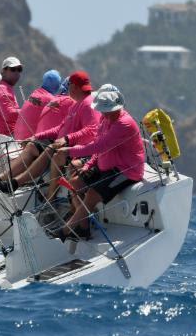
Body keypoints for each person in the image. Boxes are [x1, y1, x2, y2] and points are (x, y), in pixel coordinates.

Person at [53, 88, 145, 240]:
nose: (105, 113)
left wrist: (69, 151)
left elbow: (98, 147)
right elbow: (98, 146)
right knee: (76, 183)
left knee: (92, 194)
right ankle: (83, 229)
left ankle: (65, 231)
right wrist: (88, 165)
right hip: (106, 167)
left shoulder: (124, 124)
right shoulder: (104, 119)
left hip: (125, 171)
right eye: (103, 110)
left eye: (109, 110)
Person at [0, 70, 100, 192]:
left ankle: (16, 183)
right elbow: (60, 127)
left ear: (74, 87)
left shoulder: (88, 104)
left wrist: (67, 139)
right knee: (32, 146)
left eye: (68, 85)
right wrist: (36, 137)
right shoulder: (76, 104)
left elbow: (92, 130)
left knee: (50, 150)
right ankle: (1, 177)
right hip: (62, 142)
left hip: (76, 147)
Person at [14, 70, 61, 140]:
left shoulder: (34, 94)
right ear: (57, 85)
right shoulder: (51, 100)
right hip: (29, 142)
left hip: (17, 138)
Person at [0, 57, 22, 136]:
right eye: (13, 69)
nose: (17, 73)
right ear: (3, 71)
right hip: (2, 140)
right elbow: (9, 115)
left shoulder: (5, 87)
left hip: (3, 137)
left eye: (19, 69)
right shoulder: (2, 89)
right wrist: (28, 110)